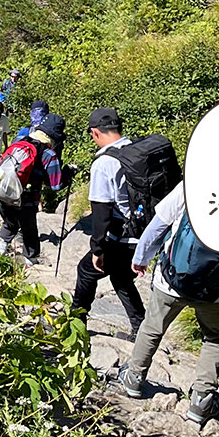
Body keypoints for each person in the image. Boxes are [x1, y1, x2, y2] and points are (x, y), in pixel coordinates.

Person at [115, 179, 219, 423]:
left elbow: (157, 225)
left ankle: (133, 378)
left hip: (172, 278)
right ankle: (201, 401)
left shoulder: (193, 182)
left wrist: (141, 257)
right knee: (215, 338)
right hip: (217, 290)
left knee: (152, 327)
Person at [72, 107, 146, 340]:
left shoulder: (104, 163)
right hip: (146, 230)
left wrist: (98, 249)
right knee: (122, 277)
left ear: (95, 133)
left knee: (87, 270)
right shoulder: (137, 149)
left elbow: (101, 212)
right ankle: (141, 328)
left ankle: (75, 326)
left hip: (122, 235)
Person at [0, 112, 66, 263]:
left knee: (9, 225)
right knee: (29, 232)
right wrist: (68, 175)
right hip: (25, 201)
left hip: (2, 194)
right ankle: (30, 263)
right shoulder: (48, 154)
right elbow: (56, 185)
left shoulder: (20, 141)